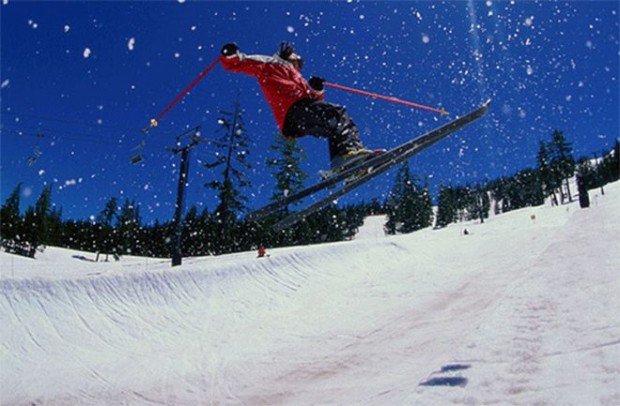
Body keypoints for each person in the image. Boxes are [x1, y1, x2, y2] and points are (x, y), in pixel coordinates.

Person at [219, 41, 375, 170]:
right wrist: (230, 55)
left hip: (297, 120)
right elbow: (243, 62)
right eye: (297, 60)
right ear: (288, 57)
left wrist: (316, 89)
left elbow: (314, 99)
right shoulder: (271, 64)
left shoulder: (299, 79)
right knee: (338, 113)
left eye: (300, 64)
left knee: (335, 124)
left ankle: (345, 163)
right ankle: (347, 154)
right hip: (293, 110)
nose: (299, 65)